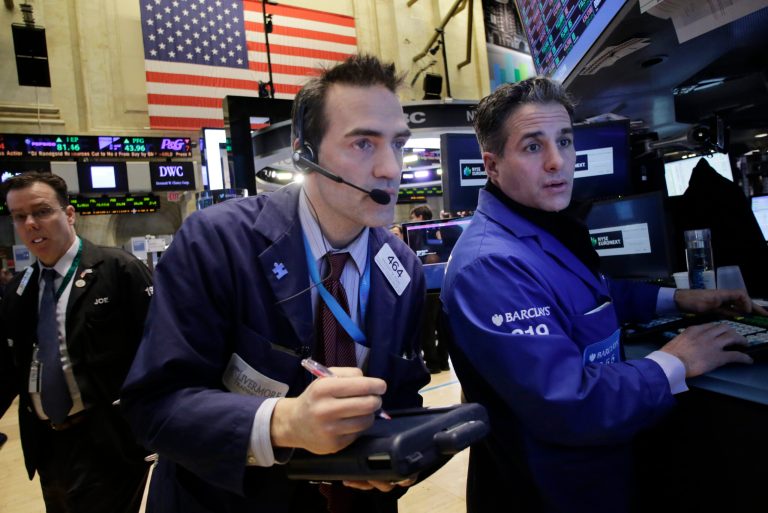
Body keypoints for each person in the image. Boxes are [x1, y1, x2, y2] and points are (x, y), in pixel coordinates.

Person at [440, 77, 767, 513]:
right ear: (492, 165)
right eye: (533, 147)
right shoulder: (491, 267)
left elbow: (591, 293)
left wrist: (679, 299)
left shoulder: (542, 228)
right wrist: (675, 361)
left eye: (565, 141)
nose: (558, 161)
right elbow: (567, 402)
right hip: (551, 490)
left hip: (596, 472)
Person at [120, 54, 430, 513]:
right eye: (363, 144)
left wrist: (398, 459)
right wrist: (282, 424)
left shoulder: (402, 267)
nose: (390, 168)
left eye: (398, 144)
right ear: (304, 150)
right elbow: (156, 406)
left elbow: (401, 395)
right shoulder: (217, 241)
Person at [0, 172, 153, 513]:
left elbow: (157, 351)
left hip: (107, 442)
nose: (30, 224)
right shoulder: (19, 291)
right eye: (19, 216)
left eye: (41, 212)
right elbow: (10, 370)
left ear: (69, 214)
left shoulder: (118, 270)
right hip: (47, 445)